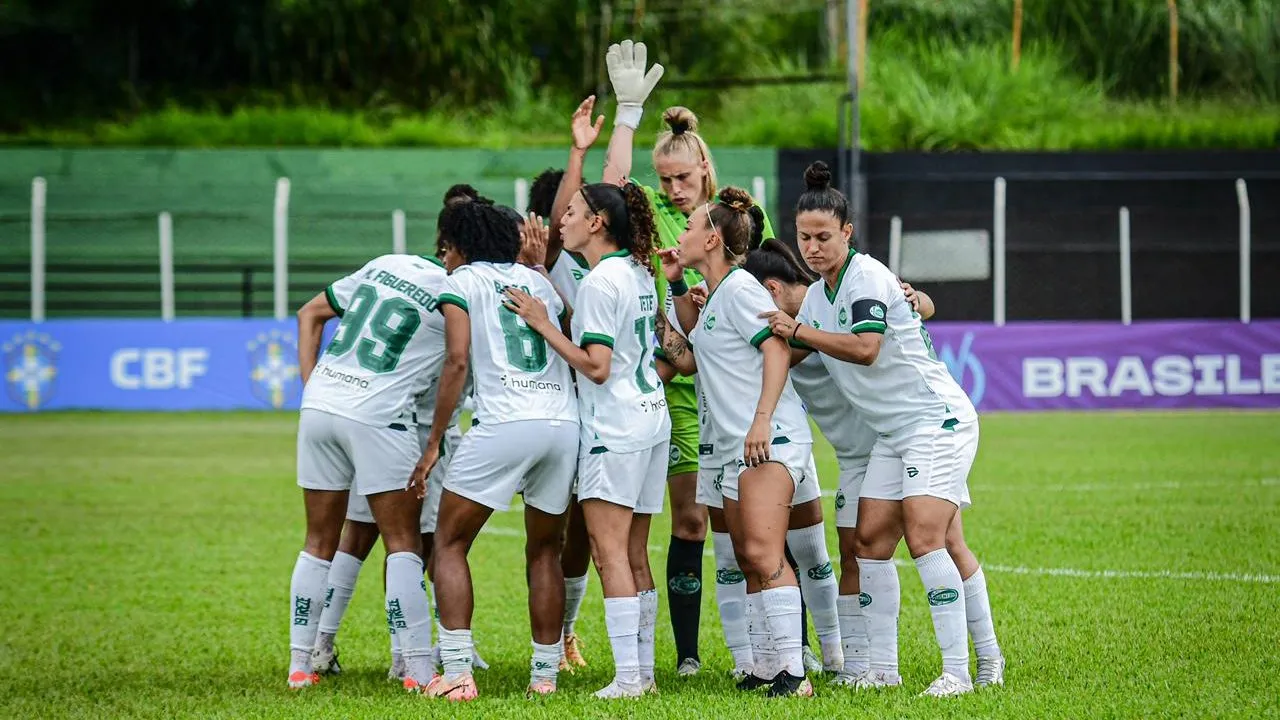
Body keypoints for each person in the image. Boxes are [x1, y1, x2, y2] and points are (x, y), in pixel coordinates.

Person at [761, 162, 1003, 697]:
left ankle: (961, 672)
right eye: (805, 237)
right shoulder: (822, 294)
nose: (814, 247)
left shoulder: (866, 276)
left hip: (936, 420)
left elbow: (867, 349)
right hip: (895, 434)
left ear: (847, 232)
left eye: (825, 236)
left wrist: (798, 330)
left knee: (925, 537)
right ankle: (882, 669)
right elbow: (797, 350)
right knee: (869, 543)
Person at [602, 40, 791, 675]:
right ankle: (688, 655)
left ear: (705, 170)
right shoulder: (653, 215)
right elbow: (608, 193)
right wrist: (627, 114)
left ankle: (779, 651)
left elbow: (773, 294)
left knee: (749, 526)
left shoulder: (741, 221)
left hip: (731, 388)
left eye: (683, 179)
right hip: (672, 382)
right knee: (690, 522)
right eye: (665, 180)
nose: (674, 190)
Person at [504, 172, 669, 697]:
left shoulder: (601, 279)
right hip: (650, 417)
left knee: (609, 553)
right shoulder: (636, 271)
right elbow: (601, 333)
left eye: (572, 212)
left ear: (597, 223)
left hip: (614, 426)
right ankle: (643, 673)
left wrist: (540, 321)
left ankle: (627, 679)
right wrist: (546, 287)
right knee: (637, 553)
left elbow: (596, 366)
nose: (563, 220)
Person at [412, 199, 579, 701]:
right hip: (561, 422)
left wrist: (435, 439)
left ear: (460, 246)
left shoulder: (460, 282)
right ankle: (544, 676)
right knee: (545, 549)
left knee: (449, 542)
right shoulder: (538, 282)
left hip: (505, 422)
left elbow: (457, 360)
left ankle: (459, 672)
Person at [660, 186, 816, 697]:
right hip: (734, 448)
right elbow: (690, 360)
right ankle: (768, 668)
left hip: (766, 440)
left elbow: (775, 349)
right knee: (748, 557)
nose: (679, 233)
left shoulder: (743, 289)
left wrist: (762, 420)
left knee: (764, 551)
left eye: (688, 227)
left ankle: (795, 675)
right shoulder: (718, 292)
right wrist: (669, 292)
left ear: (711, 237)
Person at [288, 248, 452, 693]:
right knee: (404, 544)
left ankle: (301, 666)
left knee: (319, 541)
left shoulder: (388, 263)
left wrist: (313, 390)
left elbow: (310, 311)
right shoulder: (456, 291)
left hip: (322, 403)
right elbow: (459, 363)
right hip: (382, 418)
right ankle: (416, 670)